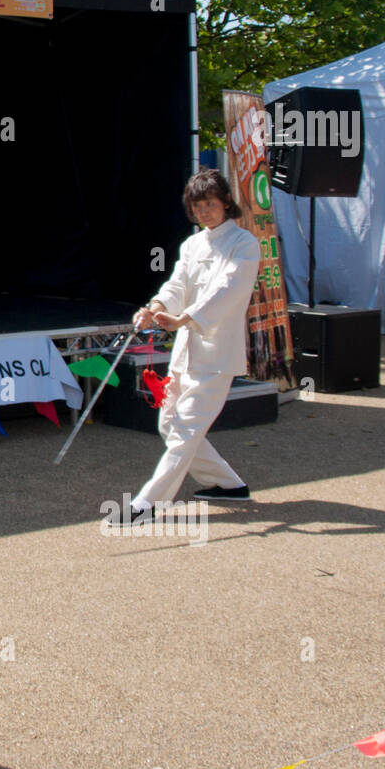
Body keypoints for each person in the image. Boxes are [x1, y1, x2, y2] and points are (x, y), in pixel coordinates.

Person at [114, 169, 261, 526]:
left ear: (226, 203)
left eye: (211, 203)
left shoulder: (244, 244)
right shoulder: (192, 245)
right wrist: (157, 307)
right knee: (169, 423)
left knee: (184, 429)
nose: (205, 211)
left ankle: (148, 503)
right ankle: (227, 484)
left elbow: (228, 291)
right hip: (185, 351)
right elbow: (177, 283)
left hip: (217, 353)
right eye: (198, 206)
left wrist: (186, 318)